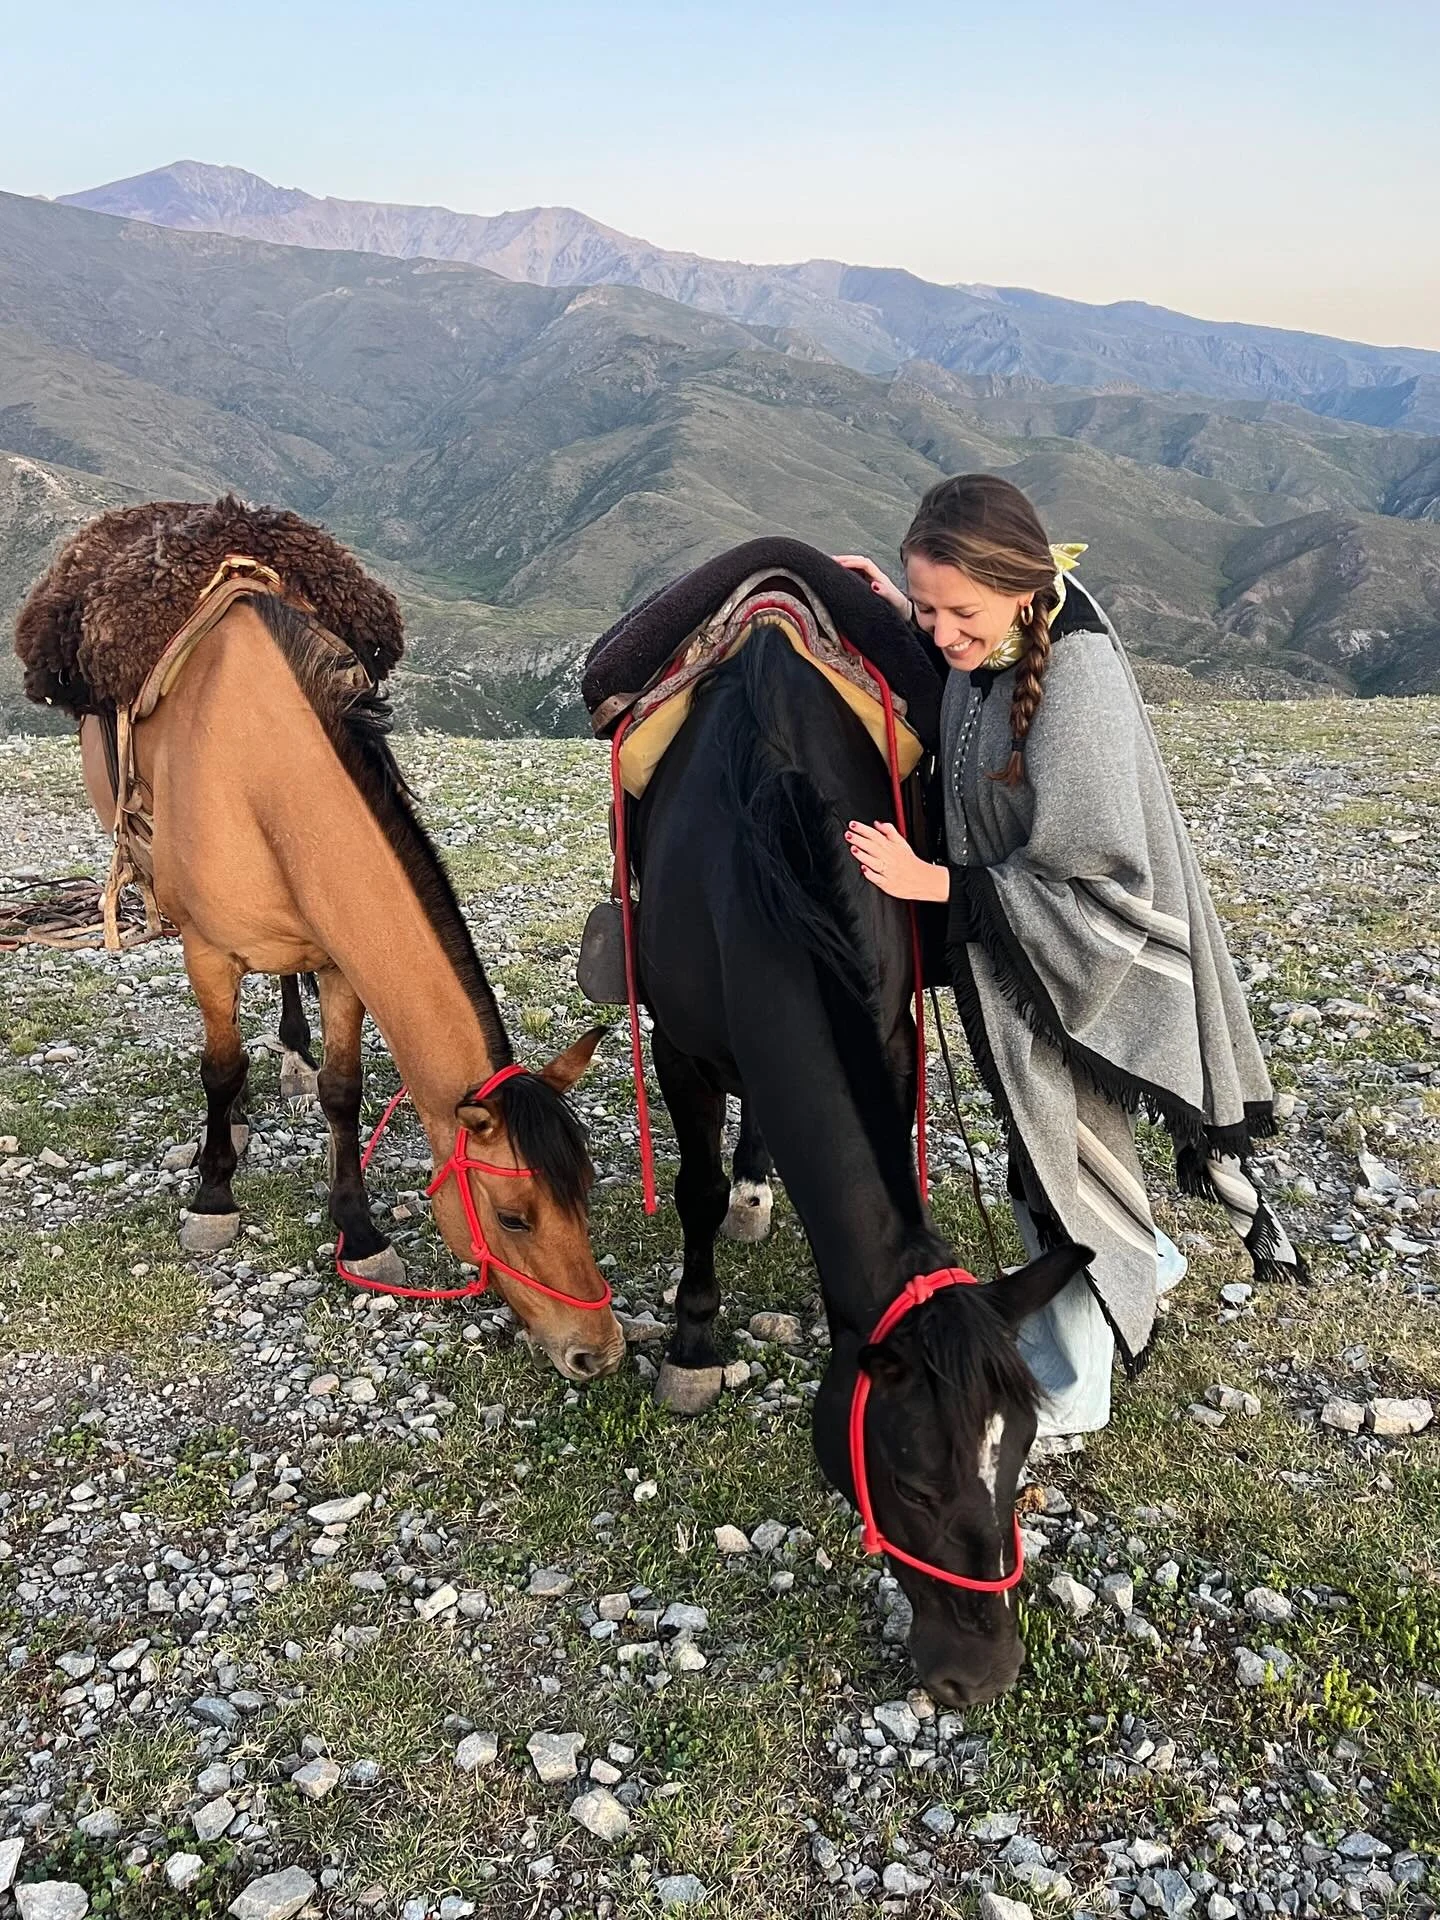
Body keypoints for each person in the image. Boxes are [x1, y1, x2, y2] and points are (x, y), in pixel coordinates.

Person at [836, 474, 1303, 1440]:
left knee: (1062, 1154)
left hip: (1086, 961)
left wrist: (938, 884)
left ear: (1019, 586)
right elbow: (964, 680)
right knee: (1038, 1141)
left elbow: (1096, 878)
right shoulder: (1010, 631)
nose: (942, 634)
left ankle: (1075, 1383)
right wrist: (890, 608)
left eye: (959, 612)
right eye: (926, 608)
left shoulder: (1075, 679)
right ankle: (1142, 1258)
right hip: (1030, 953)